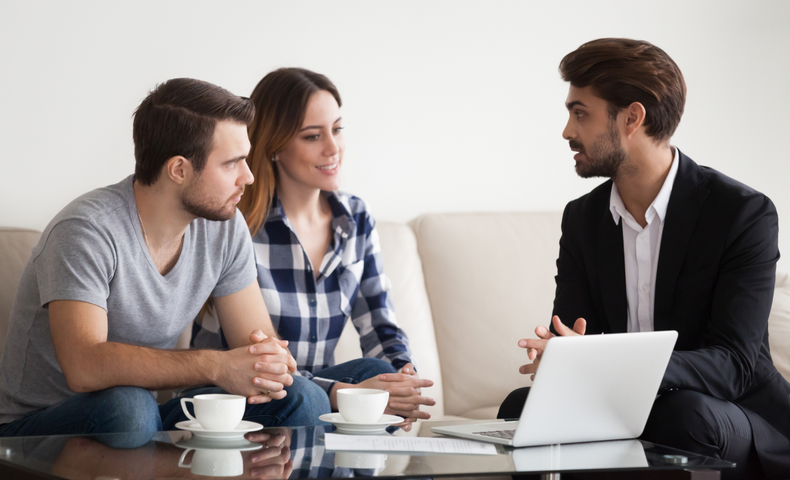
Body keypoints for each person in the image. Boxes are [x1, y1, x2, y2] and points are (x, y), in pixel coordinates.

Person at [498, 39, 790, 479]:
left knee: (685, 415)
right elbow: (575, 334)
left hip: (730, 411)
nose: (566, 131)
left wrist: (610, 362)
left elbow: (736, 363)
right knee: (518, 408)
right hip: (625, 407)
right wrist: (560, 357)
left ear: (632, 118)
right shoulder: (582, 219)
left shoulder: (741, 213)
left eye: (581, 113)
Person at [0, 78, 330, 438]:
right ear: (179, 170)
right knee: (129, 408)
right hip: (34, 431)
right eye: (233, 163)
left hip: (140, 423)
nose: (248, 177)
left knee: (302, 399)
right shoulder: (85, 230)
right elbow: (84, 367)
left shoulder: (224, 227)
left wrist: (271, 366)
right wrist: (216, 366)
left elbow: (254, 346)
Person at [192, 68, 435, 428]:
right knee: (303, 397)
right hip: (243, 395)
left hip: (311, 393)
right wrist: (337, 391)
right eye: (312, 136)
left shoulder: (354, 218)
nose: (333, 148)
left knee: (380, 372)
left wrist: (403, 378)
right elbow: (255, 361)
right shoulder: (235, 225)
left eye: (337, 129)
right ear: (274, 146)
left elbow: (380, 325)